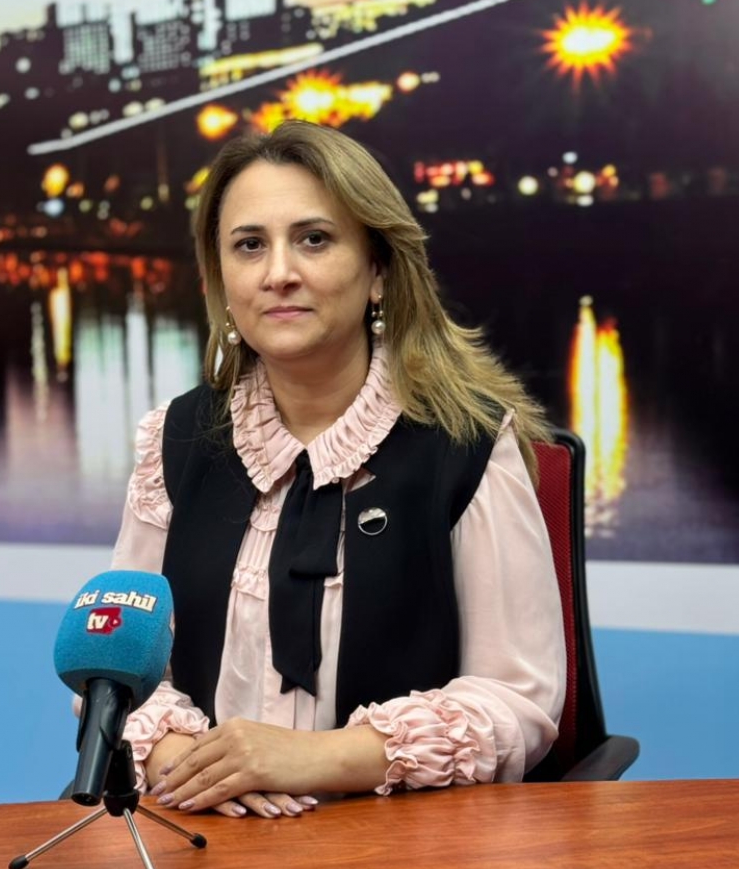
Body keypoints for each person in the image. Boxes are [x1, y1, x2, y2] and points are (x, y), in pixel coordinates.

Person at [110, 119, 565, 819]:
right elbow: (118, 665)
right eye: (249, 245)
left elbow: (515, 700)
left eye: (314, 239)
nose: (278, 273)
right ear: (220, 279)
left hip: (400, 850)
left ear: (377, 269)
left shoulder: (467, 444)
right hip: (205, 839)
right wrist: (191, 762)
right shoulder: (172, 441)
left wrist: (312, 758)